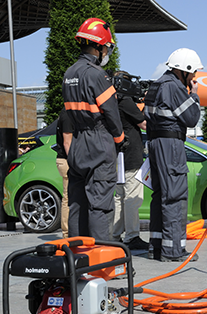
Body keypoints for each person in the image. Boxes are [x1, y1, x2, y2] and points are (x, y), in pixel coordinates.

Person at [62, 17, 127, 240]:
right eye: (106, 48)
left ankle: (77, 259)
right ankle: (101, 264)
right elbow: (111, 113)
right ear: (98, 46)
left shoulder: (69, 74)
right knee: (100, 205)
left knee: (77, 204)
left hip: (78, 142)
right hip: (99, 141)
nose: (106, 53)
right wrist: (119, 140)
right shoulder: (97, 75)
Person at [143, 48, 203, 262]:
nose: (194, 77)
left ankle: (157, 247)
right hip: (171, 145)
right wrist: (194, 95)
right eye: (193, 72)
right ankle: (173, 251)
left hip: (155, 143)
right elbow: (192, 118)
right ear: (184, 70)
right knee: (175, 197)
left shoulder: (156, 84)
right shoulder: (175, 87)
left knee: (160, 195)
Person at [112, 71, 149, 251]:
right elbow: (144, 124)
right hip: (131, 157)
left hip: (118, 156)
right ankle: (132, 236)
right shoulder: (125, 102)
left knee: (119, 197)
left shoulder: (111, 101)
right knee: (133, 198)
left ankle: (115, 234)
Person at [54, 108, 74, 238]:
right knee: (68, 198)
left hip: (66, 160)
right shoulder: (67, 114)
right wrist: (75, 162)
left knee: (69, 197)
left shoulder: (66, 112)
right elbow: (67, 142)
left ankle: (69, 232)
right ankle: (67, 234)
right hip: (67, 161)